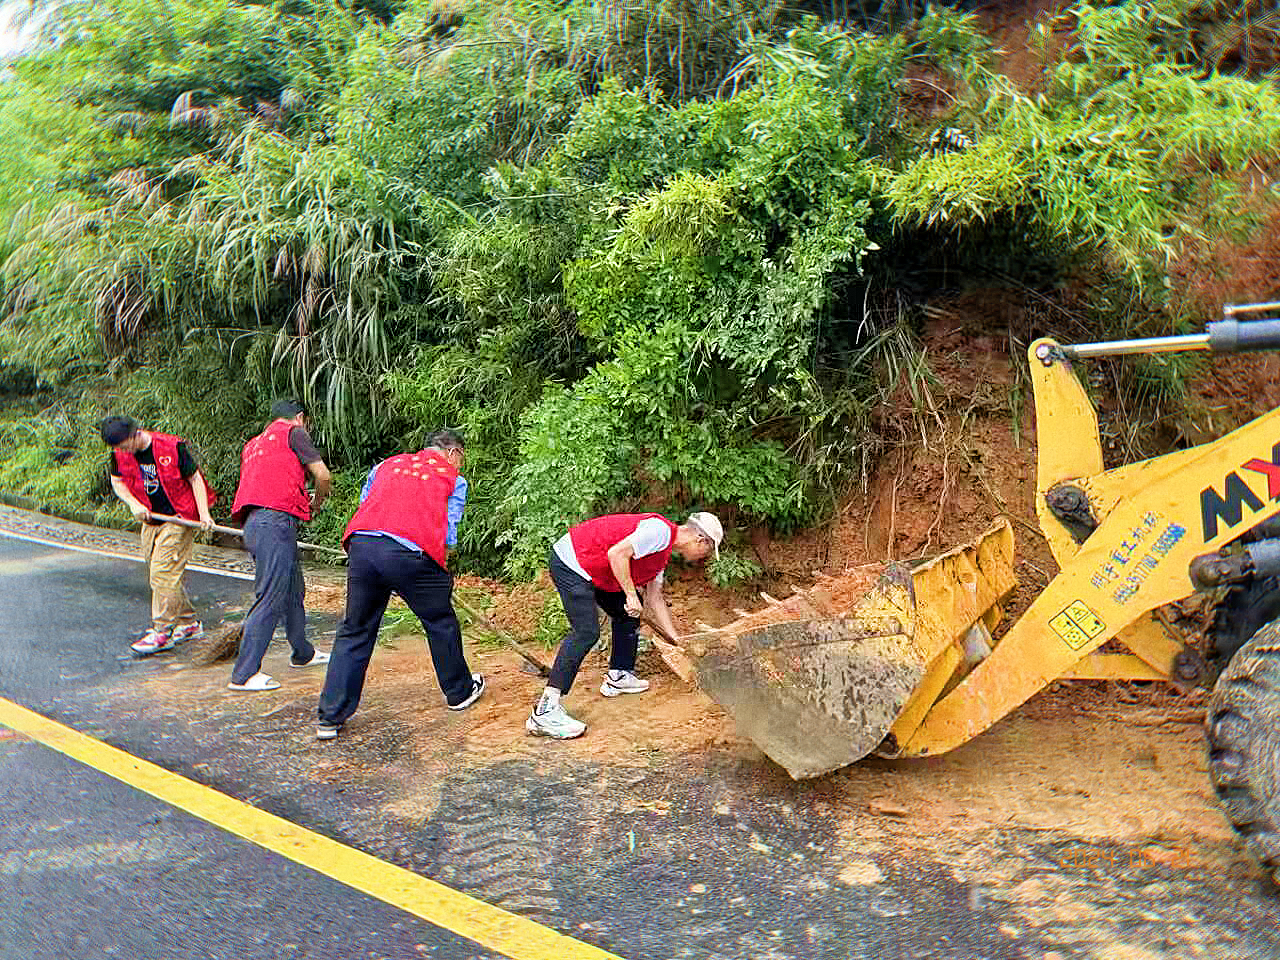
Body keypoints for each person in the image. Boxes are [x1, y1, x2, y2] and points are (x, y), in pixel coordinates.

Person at [316, 429, 483, 740]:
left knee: (356, 628)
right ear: (453, 453)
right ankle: (459, 692)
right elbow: (448, 532)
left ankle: (330, 716)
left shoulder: (385, 466)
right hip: (410, 553)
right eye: (462, 458)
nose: (460, 465)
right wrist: (440, 577)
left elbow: (367, 505)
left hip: (363, 546)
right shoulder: (452, 478)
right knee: (439, 620)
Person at [526, 511, 724, 740]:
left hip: (594, 569)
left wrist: (678, 642)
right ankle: (545, 711)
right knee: (586, 632)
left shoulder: (663, 554)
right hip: (572, 562)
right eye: (708, 550)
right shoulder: (659, 532)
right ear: (701, 540)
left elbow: (654, 599)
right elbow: (617, 554)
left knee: (627, 614)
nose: (704, 557)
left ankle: (619, 676)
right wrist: (630, 594)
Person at [226, 400, 333, 692]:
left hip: (255, 522)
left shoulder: (253, 443)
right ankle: (244, 674)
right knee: (271, 594)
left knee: (293, 589)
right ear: (300, 418)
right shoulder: (294, 431)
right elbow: (322, 475)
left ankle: (303, 653)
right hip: (274, 521)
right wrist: (317, 501)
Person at [101, 416, 217, 656]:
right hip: (151, 518)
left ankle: (162, 632)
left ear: (136, 434)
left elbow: (195, 479)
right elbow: (117, 481)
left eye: (124, 446)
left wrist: (204, 514)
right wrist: (133, 504)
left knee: (163, 572)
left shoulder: (172, 447)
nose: (122, 452)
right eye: (118, 449)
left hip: (179, 517)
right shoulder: (119, 454)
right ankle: (188, 623)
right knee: (162, 574)